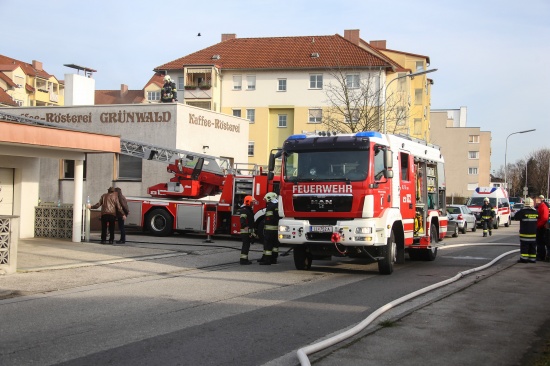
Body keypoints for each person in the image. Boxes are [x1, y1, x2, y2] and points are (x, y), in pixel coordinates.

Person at [514, 197, 539, 263]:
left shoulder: (522, 212)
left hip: (525, 233)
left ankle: (524, 259)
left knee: (524, 246)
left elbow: (516, 217)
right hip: (533, 233)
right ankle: (532, 259)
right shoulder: (536, 212)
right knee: (533, 246)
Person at [259, 192, 280, 265]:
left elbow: (269, 218)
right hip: (276, 230)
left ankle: (267, 260)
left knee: (267, 245)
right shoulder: (277, 205)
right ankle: (273, 259)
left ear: (269, 198)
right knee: (275, 245)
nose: (266, 201)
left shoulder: (270, 206)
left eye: (266, 199)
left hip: (269, 230)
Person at [238, 195, 256, 265]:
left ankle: (245, 259)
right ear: (248, 202)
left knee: (247, 245)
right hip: (245, 231)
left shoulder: (248, 210)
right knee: (245, 245)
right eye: (252, 202)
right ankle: (243, 260)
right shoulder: (244, 210)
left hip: (248, 231)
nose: (253, 204)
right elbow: (242, 219)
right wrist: (244, 226)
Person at [535, 195, 549, 261]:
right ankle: (541, 255)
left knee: (540, 243)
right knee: (540, 243)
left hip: (541, 228)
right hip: (541, 227)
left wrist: (537, 226)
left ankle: (541, 256)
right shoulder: (541, 207)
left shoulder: (543, 207)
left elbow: (544, 218)